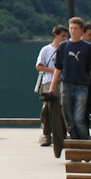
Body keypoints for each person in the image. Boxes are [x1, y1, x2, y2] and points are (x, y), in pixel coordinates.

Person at [52, 17, 91, 141]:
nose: (73, 31)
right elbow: (58, 68)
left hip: (82, 86)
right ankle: (75, 146)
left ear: (81, 30)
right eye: (71, 28)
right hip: (66, 85)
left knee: (79, 118)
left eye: (76, 28)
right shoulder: (63, 46)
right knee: (69, 121)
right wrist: (52, 87)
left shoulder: (88, 48)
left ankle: (85, 146)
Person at [35, 24, 67, 152]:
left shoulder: (65, 49)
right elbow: (39, 66)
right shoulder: (46, 50)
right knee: (48, 108)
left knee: (61, 109)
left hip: (63, 82)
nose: (65, 38)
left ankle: (60, 135)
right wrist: (55, 71)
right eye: (63, 36)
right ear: (56, 35)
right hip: (48, 82)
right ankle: (46, 134)